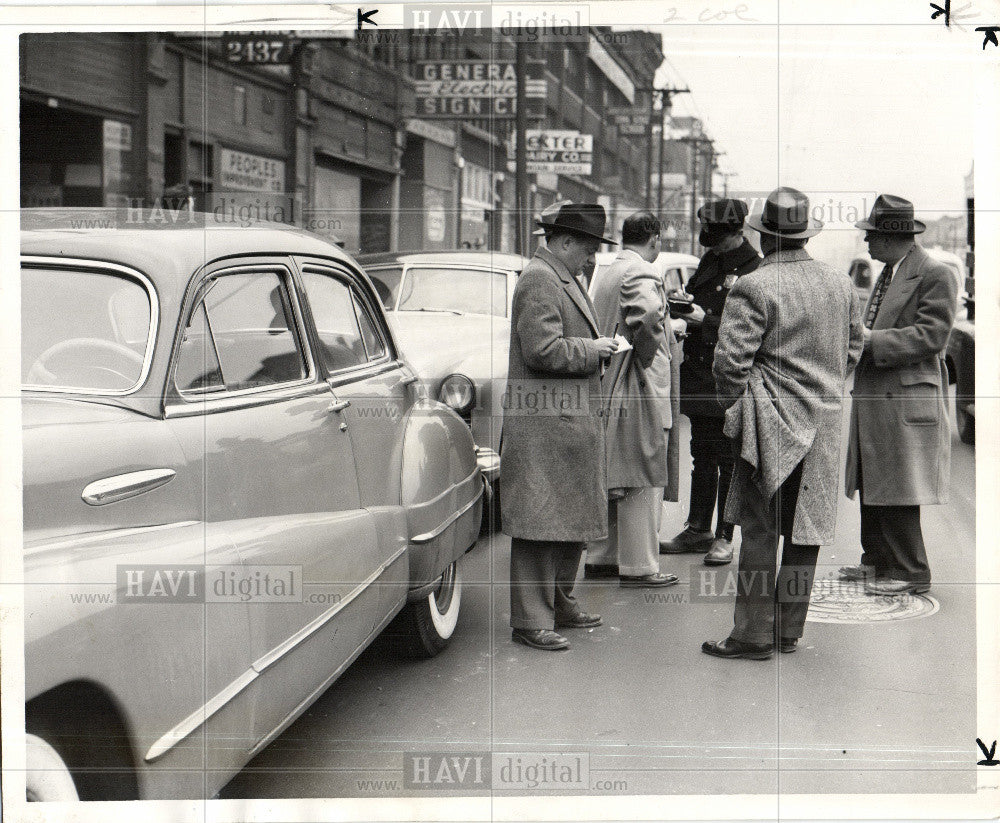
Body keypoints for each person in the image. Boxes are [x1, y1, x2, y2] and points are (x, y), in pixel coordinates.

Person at [702, 187, 863, 660]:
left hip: (768, 427)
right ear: (803, 235)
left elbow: (729, 364)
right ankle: (787, 630)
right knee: (803, 533)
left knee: (759, 530)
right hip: (823, 425)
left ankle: (752, 635)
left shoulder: (754, 285)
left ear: (765, 235)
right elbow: (852, 350)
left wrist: (737, 413)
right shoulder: (839, 284)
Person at [501, 202, 620, 651]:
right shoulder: (539, 279)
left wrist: (594, 349)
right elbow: (541, 350)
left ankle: (560, 601)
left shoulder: (559, 276)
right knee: (539, 523)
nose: (593, 259)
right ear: (564, 241)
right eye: (589, 250)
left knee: (568, 518)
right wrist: (594, 350)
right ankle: (531, 620)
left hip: (564, 422)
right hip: (546, 425)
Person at [841, 195, 958, 596]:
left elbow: (933, 336)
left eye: (871, 235)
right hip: (881, 394)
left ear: (892, 237)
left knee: (899, 484)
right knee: (874, 478)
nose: (868, 243)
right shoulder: (893, 271)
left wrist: (872, 341)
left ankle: (910, 572)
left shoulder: (934, 274)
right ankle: (875, 561)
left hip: (904, 396)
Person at [661, 199, 760, 566]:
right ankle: (698, 527)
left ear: (738, 232)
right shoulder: (710, 261)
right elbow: (698, 299)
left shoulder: (754, 268)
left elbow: (754, 328)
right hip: (701, 373)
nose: (714, 245)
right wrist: (684, 302)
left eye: (719, 239)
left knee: (729, 459)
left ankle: (724, 535)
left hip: (731, 376)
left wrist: (708, 319)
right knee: (701, 454)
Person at [584, 211, 679, 588]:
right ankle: (640, 566)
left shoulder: (610, 269)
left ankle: (602, 557)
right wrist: (647, 355)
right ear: (653, 238)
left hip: (611, 383)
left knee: (616, 469)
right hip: (639, 384)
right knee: (643, 472)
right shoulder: (642, 271)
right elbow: (648, 317)